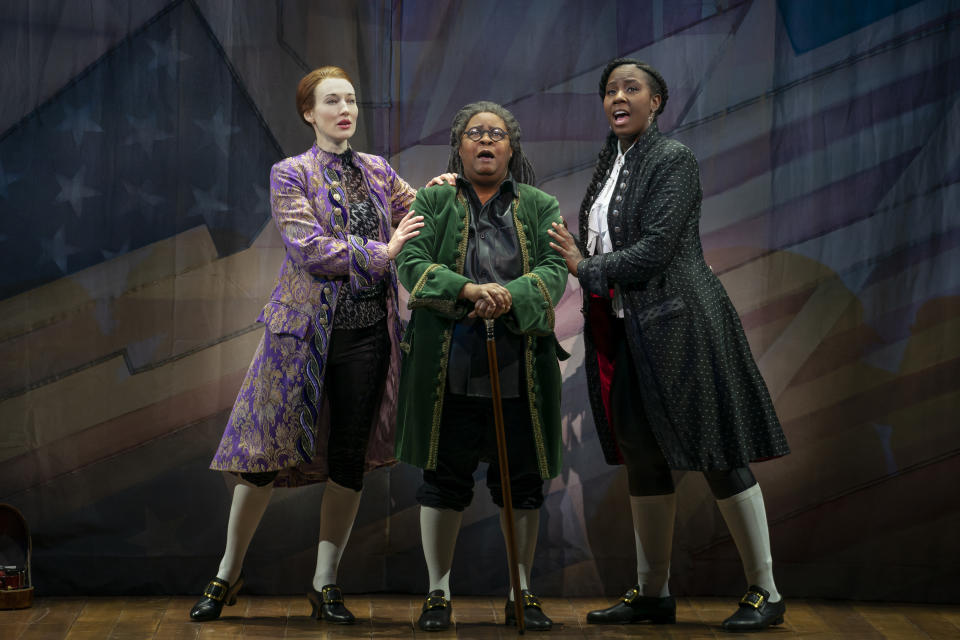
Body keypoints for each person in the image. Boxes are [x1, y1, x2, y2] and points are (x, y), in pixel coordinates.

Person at [547, 58, 791, 631]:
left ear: (656, 102)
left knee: (719, 453)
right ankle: (652, 592)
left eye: (631, 89)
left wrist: (586, 266)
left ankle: (767, 591)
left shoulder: (672, 159)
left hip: (682, 323)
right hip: (628, 330)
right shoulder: (610, 162)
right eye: (610, 90)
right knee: (643, 459)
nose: (618, 98)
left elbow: (657, 250)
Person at [189, 66, 434, 624]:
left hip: (369, 333)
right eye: (332, 101)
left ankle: (325, 583)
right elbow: (310, 249)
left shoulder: (377, 169)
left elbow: (419, 214)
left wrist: (446, 190)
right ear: (309, 112)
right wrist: (385, 250)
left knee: (348, 457)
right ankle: (226, 573)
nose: (345, 109)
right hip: (300, 336)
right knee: (262, 460)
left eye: (351, 99)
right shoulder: (290, 173)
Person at [395, 101, 569, 632]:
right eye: (476, 133)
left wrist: (509, 296)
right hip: (447, 364)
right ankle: (438, 593)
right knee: (443, 480)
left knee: (523, 482)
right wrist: (469, 290)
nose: (486, 140)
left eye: (497, 133)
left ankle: (523, 592)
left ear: (511, 148)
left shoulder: (540, 204)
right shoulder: (434, 198)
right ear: (460, 145)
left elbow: (557, 267)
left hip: (521, 365)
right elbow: (410, 261)